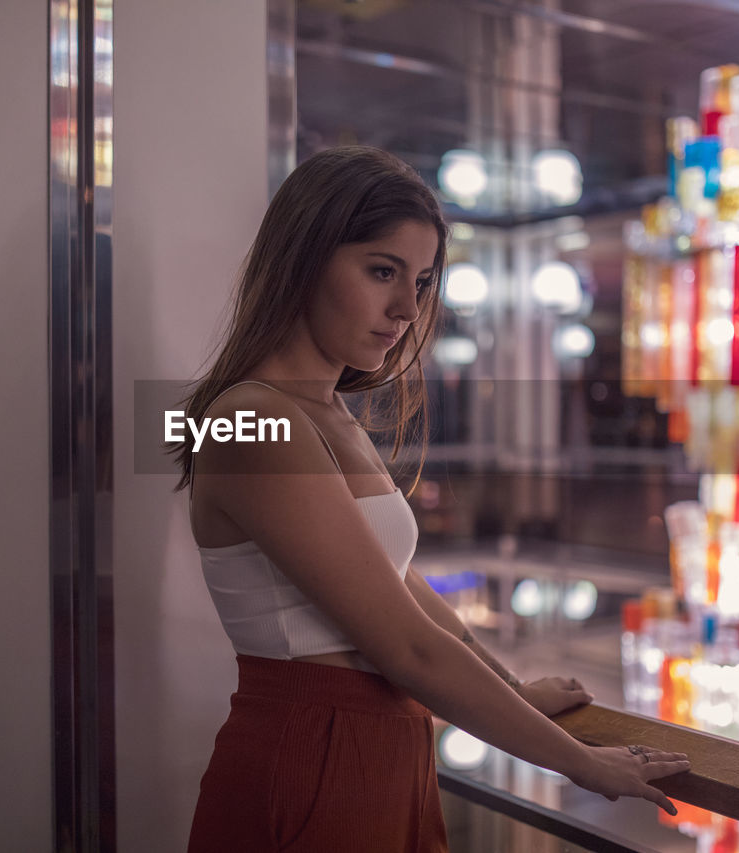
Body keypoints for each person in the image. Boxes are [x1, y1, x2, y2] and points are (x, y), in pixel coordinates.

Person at [172, 146, 689, 852]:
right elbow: (407, 646)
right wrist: (581, 763)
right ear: (303, 259)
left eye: (419, 280)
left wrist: (512, 687)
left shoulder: (326, 409)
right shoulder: (255, 419)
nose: (407, 309)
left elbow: (401, 586)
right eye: (382, 271)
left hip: (384, 744)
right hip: (313, 748)